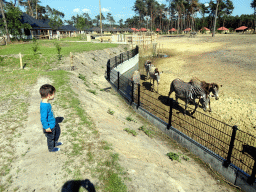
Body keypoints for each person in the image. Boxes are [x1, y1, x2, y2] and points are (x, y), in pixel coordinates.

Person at [39, 84, 62, 152]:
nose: (54, 95)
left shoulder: (45, 102)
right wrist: (46, 127)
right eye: (53, 94)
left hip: (52, 124)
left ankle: (55, 143)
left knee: (55, 134)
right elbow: (43, 118)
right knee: (50, 138)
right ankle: (51, 148)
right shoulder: (44, 106)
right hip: (49, 127)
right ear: (49, 95)